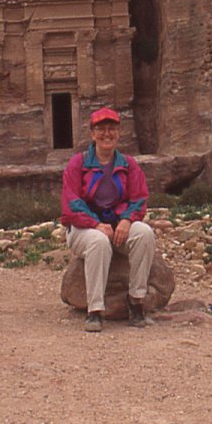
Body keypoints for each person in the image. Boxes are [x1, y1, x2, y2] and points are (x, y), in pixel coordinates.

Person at [60, 107, 155, 332]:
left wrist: (127, 220)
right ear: (92, 134)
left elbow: (139, 198)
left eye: (111, 129)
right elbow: (72, 203)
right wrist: (96, 223)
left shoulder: (128, 164)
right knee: (98, 241)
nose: (107, 134)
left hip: (116, 226)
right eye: (101, 129)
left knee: (144, 234)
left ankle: (136, 300)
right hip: (83, 229)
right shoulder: (78, 164)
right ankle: (95, 310)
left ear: (118, 133)